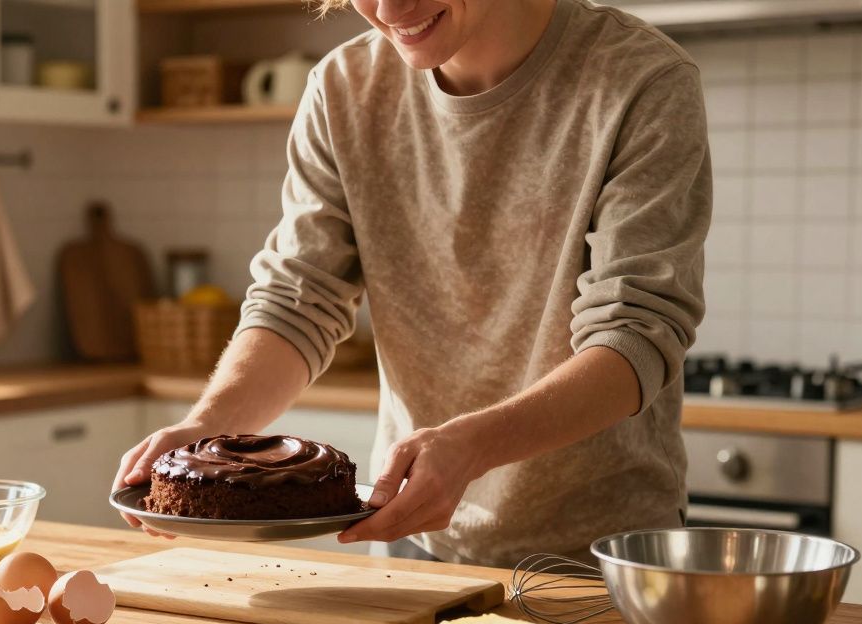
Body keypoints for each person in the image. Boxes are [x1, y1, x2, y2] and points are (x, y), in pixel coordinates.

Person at [112, 0, 709, 567]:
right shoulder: (342, 88)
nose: (392, 11)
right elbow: (298, 301)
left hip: (602, 556)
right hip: (414, 539)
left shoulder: (641, 79)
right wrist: (207, 426)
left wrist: (474, 446)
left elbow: (636, 334)